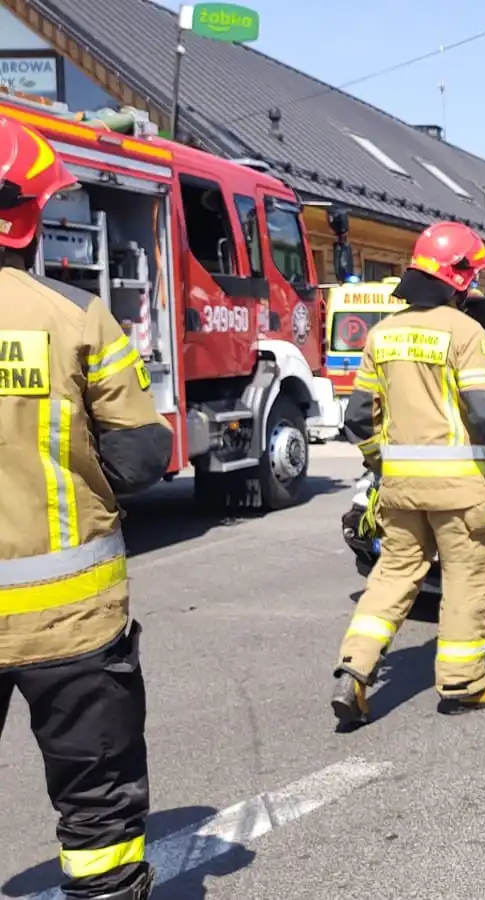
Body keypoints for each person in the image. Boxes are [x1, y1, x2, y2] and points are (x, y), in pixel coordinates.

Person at [0, 116, 174, 900]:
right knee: (95, 802)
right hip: (68, 620)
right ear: (29, 217)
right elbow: (140, 458)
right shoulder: (75, 316)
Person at [332, 221, 485, 725]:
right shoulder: (465, 332)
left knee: (394, 575)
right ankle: (465, 682)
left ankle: (355, 668)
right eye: (473, 276)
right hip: (458, 490)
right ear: (458, 277)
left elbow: (358, 419)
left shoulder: (382, 333)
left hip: (399, 489)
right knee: (468, 577)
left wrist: (381, 463)